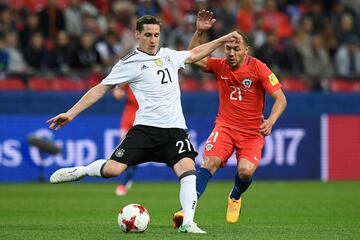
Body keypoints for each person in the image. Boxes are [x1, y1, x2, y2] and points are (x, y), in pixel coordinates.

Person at [47, 15, 241, 234]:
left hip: (175, 131)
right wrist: (71, 114)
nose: (152, 40)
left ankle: (188, 222)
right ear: (137, 34)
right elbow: (100, 89)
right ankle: (81, 171)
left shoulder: (169, 55)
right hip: (145, 130)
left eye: (156, 35)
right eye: (148, 35)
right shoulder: (128, 63)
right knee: (112, 170)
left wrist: (222, 38)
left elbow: (195, 53)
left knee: (189, 171)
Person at [173, 10, 287, 227]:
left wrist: (270, 120)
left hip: (252, 132)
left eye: (236, 49)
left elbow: (281, 99)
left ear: (246, 50)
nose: (232, 53)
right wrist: (199, 32)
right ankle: (186, 210)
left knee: (245, 171)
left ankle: (235, 195)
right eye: (228, 49)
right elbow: (192, 55)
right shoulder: (220, 66)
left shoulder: (259, 68)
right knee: (209, 162)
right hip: (225, 127)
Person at [112, 84, 138, 196]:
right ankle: (126, 180)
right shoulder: (132, 72)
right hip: (128, 119)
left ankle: (127, 179)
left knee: (138, 150)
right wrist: (118, 90)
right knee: (127, 149)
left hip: (145, 118)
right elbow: (118, 91)